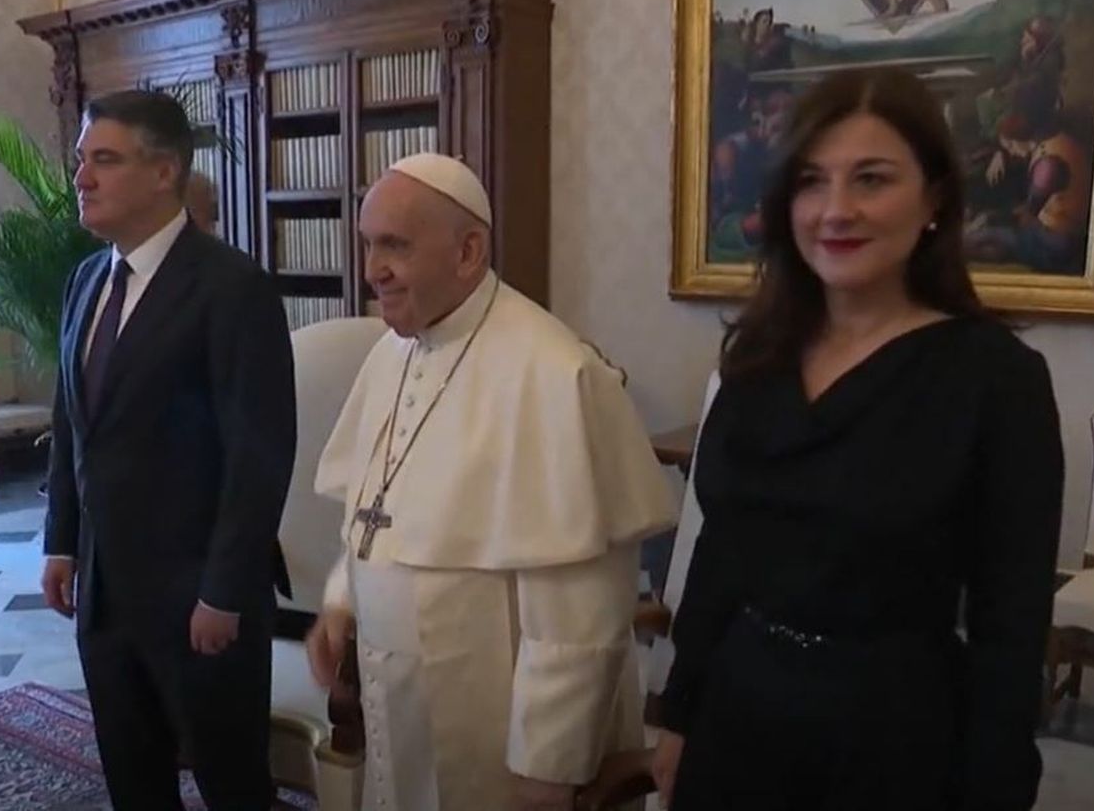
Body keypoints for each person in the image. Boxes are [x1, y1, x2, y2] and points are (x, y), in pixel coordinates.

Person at [651, 68, 1064, 810]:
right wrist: (679, 714)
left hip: (892, 738)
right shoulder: (759, 357)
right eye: (812, 181)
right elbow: (722, 552)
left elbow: (1011, 623)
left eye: (872, 179)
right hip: (736, 719)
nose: (836, 210)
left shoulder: (996, 380)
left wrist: (998, 787)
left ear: (934, 199)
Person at [304, 152, 676, 811]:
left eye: (395, 245)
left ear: (469, 251)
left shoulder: (554, 373)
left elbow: (578, 607)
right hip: (396, 701)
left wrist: (549, 764)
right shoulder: (391, 354)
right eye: (367, 244)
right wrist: (342, 602)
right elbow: (375, 509)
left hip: (501, 725)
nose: (371, 269)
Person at [40, 89, 296, 810]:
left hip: (199, 599)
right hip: (105, 592)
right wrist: (61, 541)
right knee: (134, 779)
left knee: (232, 785)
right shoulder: (85, 282)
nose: (82, 178)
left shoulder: (233, 287)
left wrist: (224, 591)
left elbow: (259, 456)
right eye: (82, 160)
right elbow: (73, 424)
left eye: (105, 160)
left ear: (164, 173)